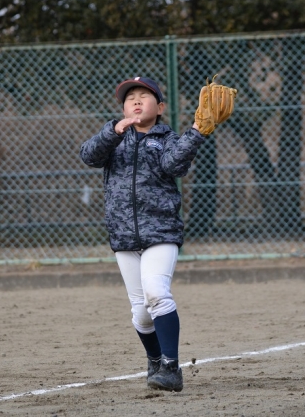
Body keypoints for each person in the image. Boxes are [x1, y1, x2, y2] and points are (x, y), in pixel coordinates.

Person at [79, 77, 206, 391]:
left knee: (156, 293)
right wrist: (113, 132)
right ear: (123, 108)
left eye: (144, 96)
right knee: (140, 312)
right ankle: (155, 360)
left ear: (160, 108)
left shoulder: (167, 139)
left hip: (160, 231)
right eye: (130, 97)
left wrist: (196, 132)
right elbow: (89, 155)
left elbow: (175, 166)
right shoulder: (114, 138)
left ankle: (171, 368)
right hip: (123, 236)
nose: (136, 100)